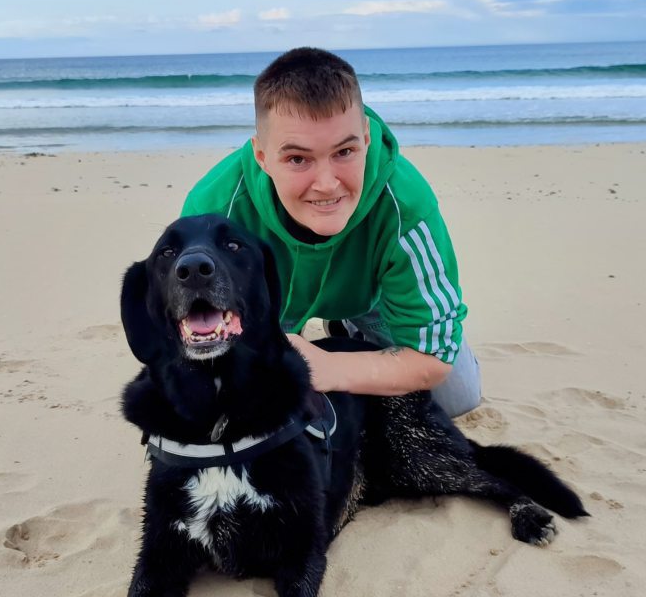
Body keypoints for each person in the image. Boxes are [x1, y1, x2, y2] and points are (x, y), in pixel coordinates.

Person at [180, 47, 482, 418]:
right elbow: (192, 323)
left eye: (344, 152)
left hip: (371, 300)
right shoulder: (215, 211)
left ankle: (345, 325)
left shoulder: (406, 206)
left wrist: (330, 368)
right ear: (262, 157)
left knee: (458, 396)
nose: (326, 184)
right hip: (265, 309)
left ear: (367, 138)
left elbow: (433, 360)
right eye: (297, 159)